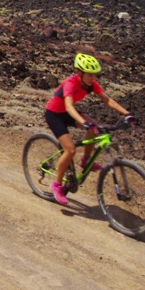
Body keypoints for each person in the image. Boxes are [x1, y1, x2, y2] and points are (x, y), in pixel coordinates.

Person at [45, 53, 131, 205]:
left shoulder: (91, 84)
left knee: (95, 129)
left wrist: (127, 114)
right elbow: (69, 106)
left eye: (95, 75)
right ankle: (56, 185)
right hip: (54, 114)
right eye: (90, 75)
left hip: (68, 113)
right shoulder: (71, 83)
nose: (93, 78)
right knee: (70, 150)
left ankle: (85, 161)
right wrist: (83, 123)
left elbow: (107, 100)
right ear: (80, 73)